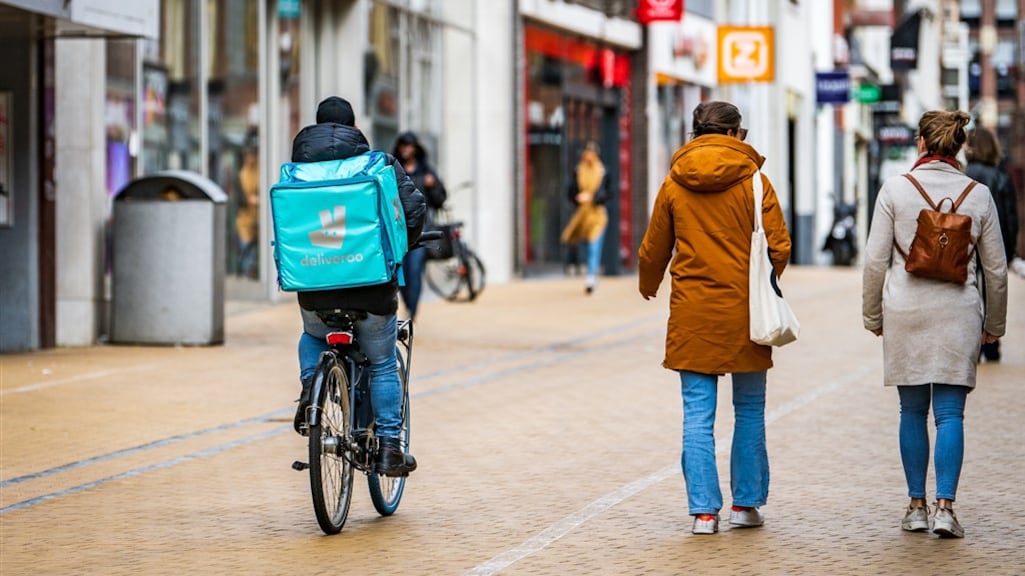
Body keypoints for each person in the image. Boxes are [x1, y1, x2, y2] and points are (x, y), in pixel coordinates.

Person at [637, 101, 791, 535]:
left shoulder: (673, 183)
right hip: (747, 313)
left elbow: (654, 248)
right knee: (749, 410)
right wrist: (766, 280)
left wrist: (649, 283)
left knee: (696, 417)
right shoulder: (757, 183)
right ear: (737, 134)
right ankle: (745, 505)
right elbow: (779, 246)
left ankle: (704, 513)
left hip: (693, 313)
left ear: (695, 133)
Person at [863, 110, 1008, 538]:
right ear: (959, 146)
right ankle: (946, 509)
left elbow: (874, 262)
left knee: (911, 410)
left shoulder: (895, 189)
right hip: (958, 312)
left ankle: (915, 507)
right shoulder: (978, 194)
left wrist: (873, 315)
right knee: (950, 415)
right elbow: (995, 270)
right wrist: (994, 324)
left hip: (906, 310)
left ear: (921, 144)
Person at [291, 96, 426, 477]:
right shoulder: (377, 164)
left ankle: (310, 390)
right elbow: (413, 210)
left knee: (313, 335)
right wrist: (405, 243)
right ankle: (388, 448)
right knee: (383, 362)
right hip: (370, 285)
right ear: (354, 128)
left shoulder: (297, 172)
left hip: (315, 284)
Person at [964, 126, 1018, 362]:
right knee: (992, 292)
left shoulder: (962, 176)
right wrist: (1007, 253)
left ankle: (971, 347)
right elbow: (1010, 219)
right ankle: (992, 345)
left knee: (968, 295)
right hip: (993, 248)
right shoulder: (1001, 178)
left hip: (964, 248)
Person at [392, 132, 446, 321]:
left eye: (410, 145)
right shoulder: (393, 171)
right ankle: (408, 304)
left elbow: (440, 200)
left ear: (415, 148)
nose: (406, 149)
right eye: (403, 145)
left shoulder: (425, 171)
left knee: (414, 272)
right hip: (399, 232)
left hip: (420, 232)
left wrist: (432, 186)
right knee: (401, 274)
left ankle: (412, 311)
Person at [560, 141, 609, 294]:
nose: (589, 156)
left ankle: (591, 276)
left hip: (597, 215)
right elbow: (570, 192)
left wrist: (593, 198)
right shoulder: (578, 171)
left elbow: (608, 193)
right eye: (587, 153)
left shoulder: (603, 172)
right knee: (584, 244)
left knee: (594, 246)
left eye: (592, 153)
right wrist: (578, 198)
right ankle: (584, 269)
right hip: (582, 215)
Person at [235, 143, 260, 279]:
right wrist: (249, 200)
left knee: (255, 249)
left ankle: (251, 271)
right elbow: (240, 198)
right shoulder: (241, 175)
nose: (249, 158)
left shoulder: (259, 172)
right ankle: (246, 272)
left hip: (258, 217)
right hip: (245, 218)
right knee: (246, 247)